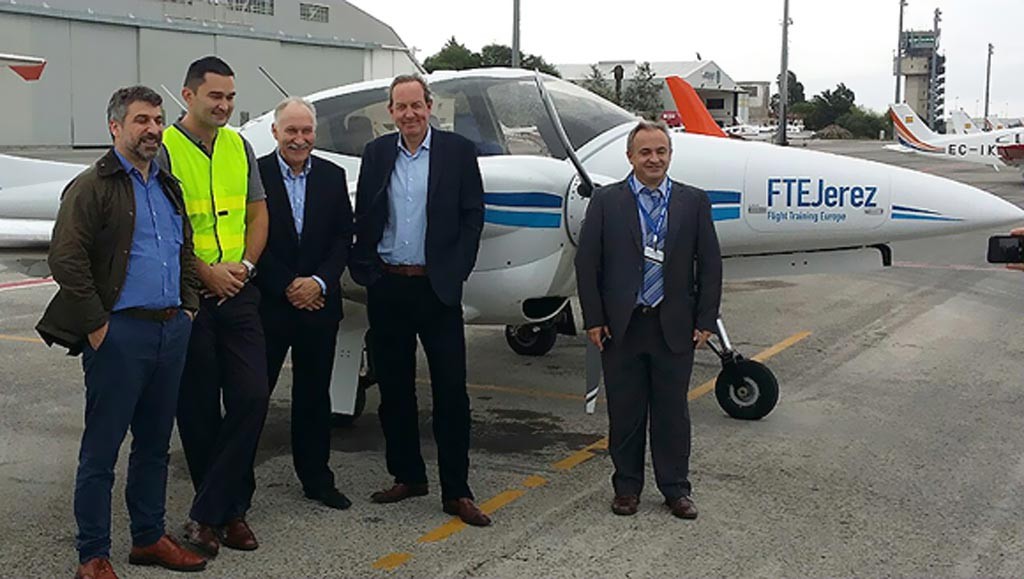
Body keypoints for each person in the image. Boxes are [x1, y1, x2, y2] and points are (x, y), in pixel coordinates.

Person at [37, 86, 207, 579]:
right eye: (141, 121)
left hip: (170, 331)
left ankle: (149, 537)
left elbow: (184, 252)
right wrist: (96, 325)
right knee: (102, 450)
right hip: (119, 337)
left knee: (155, 446)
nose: (152, 129)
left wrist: (189, 308)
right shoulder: (92, 186)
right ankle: (93, 555)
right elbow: (65, 259)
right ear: (115, 127)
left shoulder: (168, 186)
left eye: (157, 120)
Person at [350, 74, 489, 526]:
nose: (408, 114)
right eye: (399, 107)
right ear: (390, 112)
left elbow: (473, 216)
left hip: (437, 288)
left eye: (416, 105)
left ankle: (457, 490)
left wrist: (457, 269)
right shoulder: (376, 154)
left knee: (451, 392)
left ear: (429, 106)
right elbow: (366, 216)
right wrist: (367, 271)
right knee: (394, 390)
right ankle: (408, 475)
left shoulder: (458, 152)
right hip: (389, 286)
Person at [574, 120, 723, 519]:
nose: (653, 159)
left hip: (673, 324)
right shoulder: (607, 201)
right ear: (631, 157)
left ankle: (676, 489)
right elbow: (587, 263)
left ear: (669, 155)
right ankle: (626, 487)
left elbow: (709, 264)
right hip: (623, 325)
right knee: (625, 412)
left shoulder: (694, 202)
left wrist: (706, 317)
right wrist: (594, 318)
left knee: (672, 412)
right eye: (645, 152)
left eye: (660, 151)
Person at [157, 55, 270, 555]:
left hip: (239, 292)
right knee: (198, 409)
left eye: (230, 97)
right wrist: (204, 273)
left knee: (252, 396)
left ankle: (208, 512)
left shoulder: (239, 147)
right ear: (189, 95)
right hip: (191, 297)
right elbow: (160, 225)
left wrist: (243, 268)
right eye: (214, 96)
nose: (224, 105)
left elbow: (257, 214)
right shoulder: (163, 150)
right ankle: (231, 513)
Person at [255, 97, 354, 509]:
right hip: (270, 306)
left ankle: (316, 478)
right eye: (291, 131)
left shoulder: (333, 176)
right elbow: (252, 238)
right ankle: (236, 484)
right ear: (275, 132)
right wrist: (287, 285)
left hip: (318, 304)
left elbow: (342, 237)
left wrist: (318, 282)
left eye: (306, 131)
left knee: (314, 397)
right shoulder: (254, 174)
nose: (299, 139)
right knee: (253, 398)